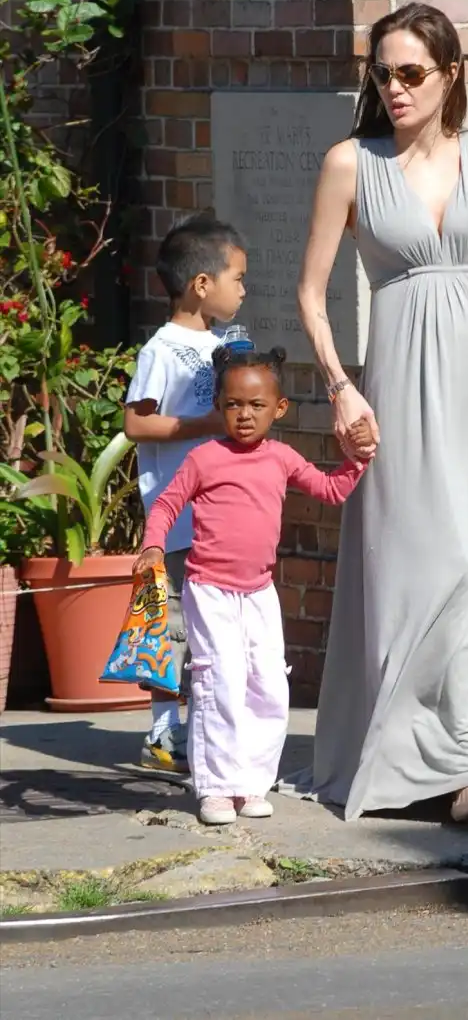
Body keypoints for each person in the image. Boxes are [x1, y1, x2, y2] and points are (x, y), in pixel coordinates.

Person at [277, 2, 468, 826]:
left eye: (411, 73)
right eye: (382, 73)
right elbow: (311, 293)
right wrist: (341, 386)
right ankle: (431, 763)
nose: (394, 88)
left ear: (449, 75)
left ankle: (450, 759)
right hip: (398, 381)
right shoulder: (351, 164)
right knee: (422, 566)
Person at [133, 346, 371, 825]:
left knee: (267, 686)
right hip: (209, 591)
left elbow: (332, 490)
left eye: (257, 405)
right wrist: (154, 545)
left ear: (278, 409)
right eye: (234, 404)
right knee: (219, 683)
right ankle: (217, 789)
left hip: (260, 593)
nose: (244, 415)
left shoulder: (281, 457)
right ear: (219, 407)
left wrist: (359, 456)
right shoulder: (204, 458)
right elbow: (165, 504)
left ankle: (251, 784)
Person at [124, 215, 247, 775]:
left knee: (210, 628)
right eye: (237, 278)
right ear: (202, 283)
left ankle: (203, 733)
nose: (243, 290)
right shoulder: (163, 349)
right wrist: (205, 425)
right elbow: (136, 423)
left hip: (218, 514)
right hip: (177, 517)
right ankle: (161, 735)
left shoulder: (222, 344)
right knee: (172, 624)